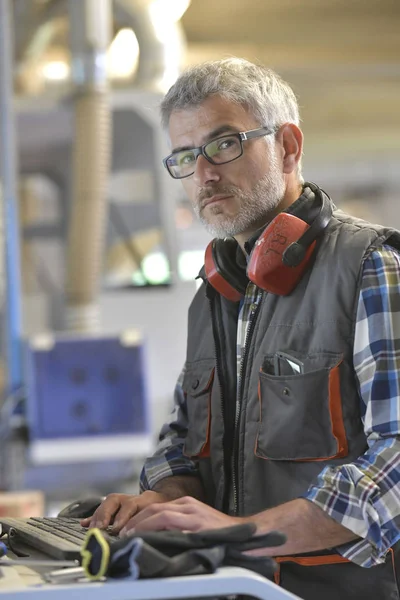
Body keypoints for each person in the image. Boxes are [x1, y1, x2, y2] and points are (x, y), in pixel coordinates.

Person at [82, 58, 400, 599]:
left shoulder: (369, 267)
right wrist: (164, 496)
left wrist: (237, 534)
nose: (204, 173)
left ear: (288, 147)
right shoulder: (215, 293)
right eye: (185, 156)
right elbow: (182, 441)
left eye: (224, 144)